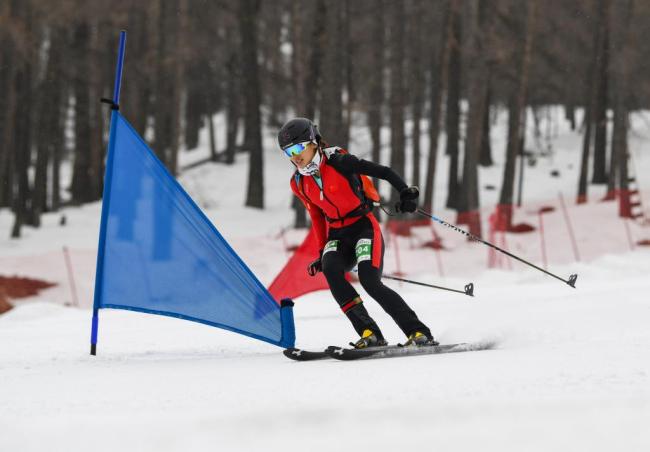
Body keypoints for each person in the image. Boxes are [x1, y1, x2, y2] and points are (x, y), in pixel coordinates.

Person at [278, 117, 437, 349]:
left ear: (314, 142)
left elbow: (384, 171)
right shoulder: (299, 182)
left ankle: (419, 332)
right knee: (331, 270)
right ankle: (370, 333)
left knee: (369, 281)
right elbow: (316, 216)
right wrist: (322, 251)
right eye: (288, 152)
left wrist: (405, 192)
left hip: (363, 226)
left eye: (299, 147)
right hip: (337, 234)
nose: (295, 156)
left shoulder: (339, 162)